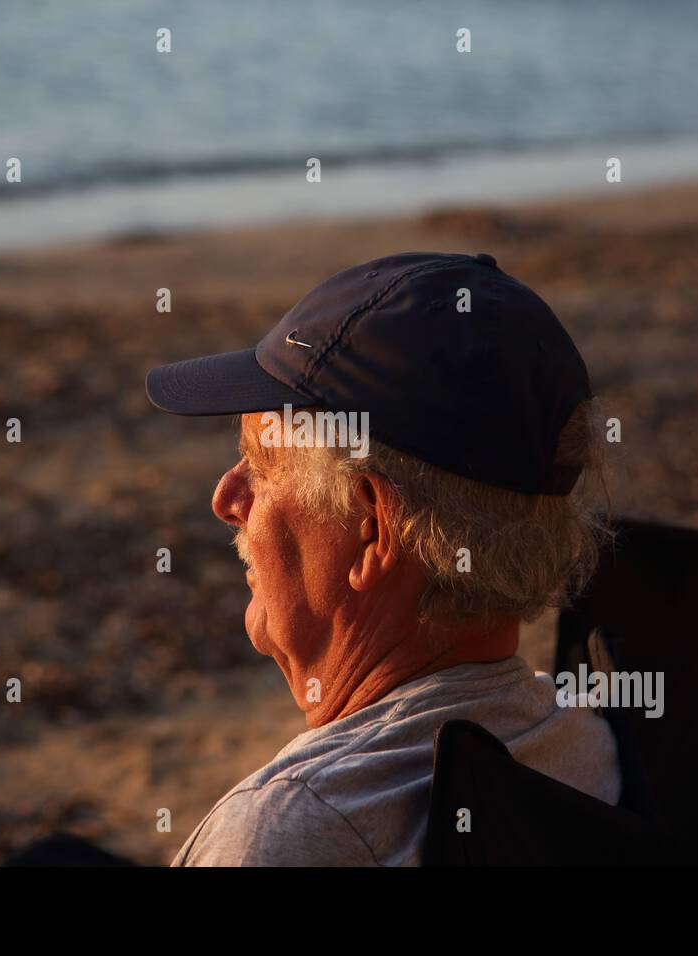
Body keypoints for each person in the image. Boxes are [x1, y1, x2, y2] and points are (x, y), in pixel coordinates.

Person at [144, 252, 621, 866]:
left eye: (261, 464)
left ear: (372, 528)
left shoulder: (289, 833)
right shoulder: (588, 743)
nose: (226, 498)